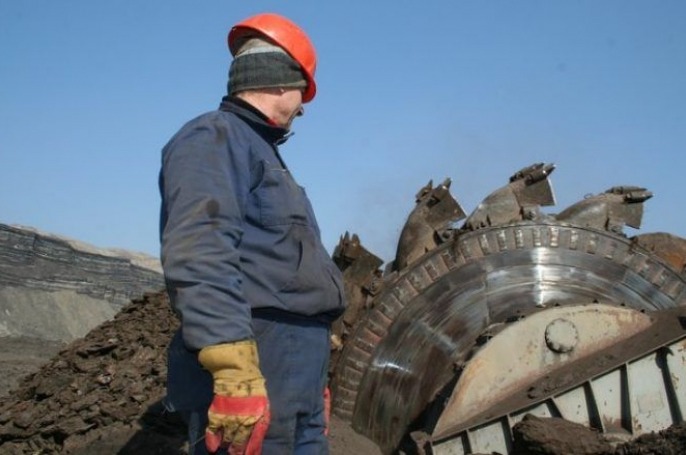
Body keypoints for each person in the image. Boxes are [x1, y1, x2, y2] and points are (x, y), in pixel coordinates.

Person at [158, 12, 346, 455]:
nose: (303, 106)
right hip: (259, 355)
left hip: (295, 367)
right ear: (281, 82)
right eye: (303, 92)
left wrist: (311, 377)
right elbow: (199, 252)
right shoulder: (213, 138)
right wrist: (233, 368)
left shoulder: (263, 155)